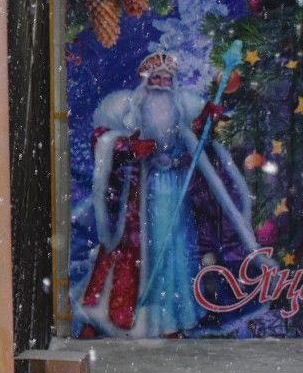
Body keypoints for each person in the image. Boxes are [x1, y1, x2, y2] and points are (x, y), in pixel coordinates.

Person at [77, 52, 263, 337]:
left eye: (167, 78)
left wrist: (205, 123)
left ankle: (173, 317)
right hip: (141, 195)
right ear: (146, 81)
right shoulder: (128, 110)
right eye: (156, 78)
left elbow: (195, 141)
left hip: (176, 190)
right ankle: (135, 315)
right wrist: (129, 147)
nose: (161, 83)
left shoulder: (181, 109)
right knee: (139, 253)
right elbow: (103, 141)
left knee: (175, 252)